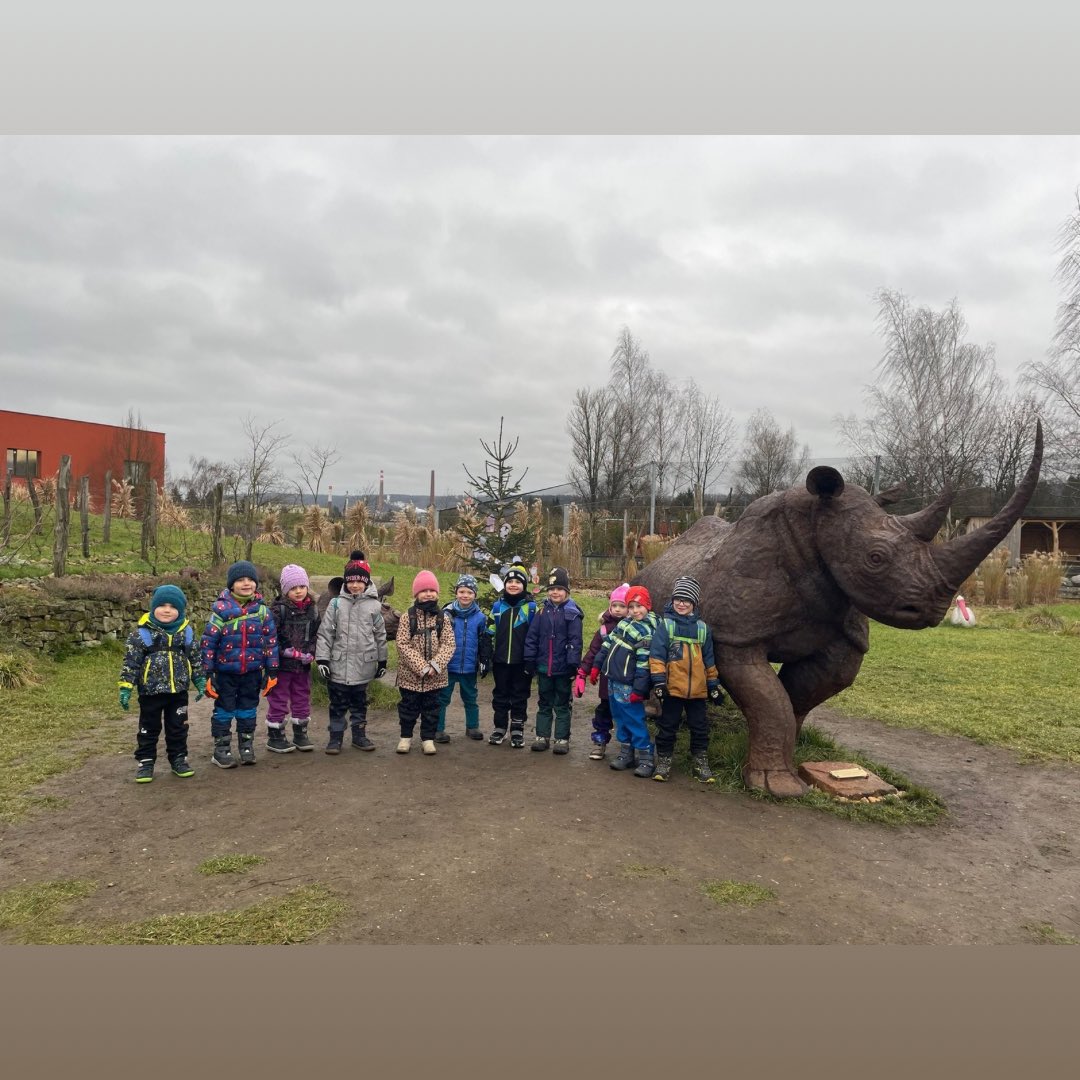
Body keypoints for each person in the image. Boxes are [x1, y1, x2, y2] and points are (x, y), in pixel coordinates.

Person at [118, 583, 206, 783]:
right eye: (162, 605)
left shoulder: (187, 633)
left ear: (180, 610)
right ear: (153, 607)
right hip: (150, 693)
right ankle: (146, 762)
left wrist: (200, 680)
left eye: (173, 607)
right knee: (148, 728)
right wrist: (126, 687)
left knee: (178, 728)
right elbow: (131, 663)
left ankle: (179, 759)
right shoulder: (141, 634)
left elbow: (195, 659)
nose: (167, 610)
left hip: (178, 692)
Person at [200, 560, 279, 769]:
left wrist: (272, 670)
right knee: (224, 710)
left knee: (248, 709)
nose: (246, 583)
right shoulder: (220, 611)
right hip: (225, 673)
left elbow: (271, 642)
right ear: (231, 585)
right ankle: (221, 749)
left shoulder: (262, 612)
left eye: (250, 579)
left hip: (252, 672)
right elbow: (208, 643)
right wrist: (207, 673)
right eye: (240, 580)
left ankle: (246, 746)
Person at [648, 575, 724, 783]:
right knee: (668, 725)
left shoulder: (702, 629)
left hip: (698, 691)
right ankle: (664, 760)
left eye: (687, 601)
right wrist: (659, 681)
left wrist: (713, 684)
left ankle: (701, 761)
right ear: (672, 601)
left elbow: (709, 659)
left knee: (700, 727)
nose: (681, 604)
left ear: (694, 603)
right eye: (678, 599)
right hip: (672, 689)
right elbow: (657, 656)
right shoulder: (667, 626)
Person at [315, 551, 388, 755]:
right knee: (337, 704)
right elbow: (325, 633)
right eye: (351, 581)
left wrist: (382, 661)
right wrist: (322, 659)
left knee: (360, 704)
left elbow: (380, 635)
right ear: (345, 582)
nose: (355, 585)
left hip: (363, 665)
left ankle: (359, 735)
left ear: (366, 582)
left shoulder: (375, 606)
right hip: (338, 666)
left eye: (359, 581)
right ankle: (335, 738)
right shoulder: (336, 604)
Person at [591, 584, 658, 777]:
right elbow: (606, 645)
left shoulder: (647, 631)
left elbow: (644, 664)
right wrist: (596, 666)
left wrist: (639, 689)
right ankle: (626, 752)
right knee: (619, 717)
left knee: (634, 719)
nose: (635, 611)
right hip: (613, 680)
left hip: (629, 685)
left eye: (639, 606)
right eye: (631, 607)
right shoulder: (623, 624)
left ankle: (645, 756)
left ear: (648, 606)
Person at [394, 570, 456, 755]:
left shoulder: (443, 618)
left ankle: (428, 739)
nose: (428, 594)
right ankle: (405, 737)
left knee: (432, 710)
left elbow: (449, 644)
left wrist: (435, 665)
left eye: (432, 590)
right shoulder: (408, 617)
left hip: (435, 677)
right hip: (410, 677)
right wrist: (421, 666)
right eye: (424, 590)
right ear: (416, 594)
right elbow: (402, 644)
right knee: (408, 708)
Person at [523, 566, 583, 754]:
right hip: (543, 667)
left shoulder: (572, 614)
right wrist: (529, 659)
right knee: (544, 702)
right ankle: (542, 736)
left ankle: (562, 738)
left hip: (563, 668)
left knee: (562, 704)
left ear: (566, 591)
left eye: (559, 589)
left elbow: (575, 641)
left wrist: (573, 664)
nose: (555, 592)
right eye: (551, 589)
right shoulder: (542, 613)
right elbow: (532, 637)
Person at [267, 563, 320, 753]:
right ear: (285, 590)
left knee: (302, 697)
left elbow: (316, 635)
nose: (298, 591)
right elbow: (270, 636)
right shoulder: (278, 610)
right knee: (279, 698)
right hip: (282, 666)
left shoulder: (313, 610)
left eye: (302, 586)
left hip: (302, 666)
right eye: (293, 588)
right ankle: (275, 735)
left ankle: (300, 733)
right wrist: (283, 651)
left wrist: (312, 652)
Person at [436, 573, 493, 743]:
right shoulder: (446, 614)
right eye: (461, 591)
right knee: (442, 698)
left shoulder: (480, 617)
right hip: (448, 666)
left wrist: (484, 660)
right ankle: (438, 729)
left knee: (470, 698)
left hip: (469, 667)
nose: (465, 595)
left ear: (475, 594)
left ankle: (472, 726)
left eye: (469, 592)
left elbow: (484, 641)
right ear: (456, 593)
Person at [575, 583, 629, 761]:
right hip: (607, 681)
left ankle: (627, 747)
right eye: (615, 605)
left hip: (627, 681)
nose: (618, 609)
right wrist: (582, 672)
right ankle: (600, 742)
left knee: (626, 714)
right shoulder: (604, 630)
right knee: (604, 711)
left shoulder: (634, 629)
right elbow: (593, 651)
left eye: (622, 606)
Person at [487, 564, 537, 748]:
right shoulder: (497, 607)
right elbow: (490, 630)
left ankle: (517, 728)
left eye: (518, 581)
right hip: (500, 661)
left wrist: (532, 660)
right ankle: (499, 727)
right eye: (510, 581)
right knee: (500, 695)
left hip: (521, 662)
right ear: (505, 584)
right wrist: (486, 653)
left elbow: (536, 635)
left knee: (519, 696)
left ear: (524, 585)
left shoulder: (531, 608)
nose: (513, 584)